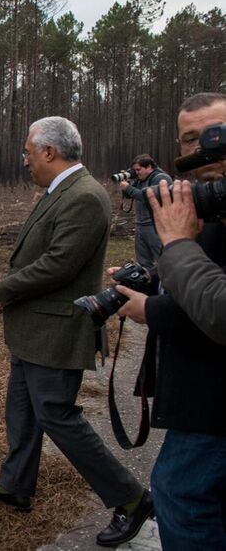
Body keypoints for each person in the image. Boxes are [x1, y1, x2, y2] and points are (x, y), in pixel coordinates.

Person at [0, 116, 151, 548]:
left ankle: (130, 498)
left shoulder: (84, 196)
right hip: (33, 329)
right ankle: (16, 486)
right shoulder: (61, 191)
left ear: (49, 151)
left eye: (28, 152)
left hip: (56, 331)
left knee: (57, 416)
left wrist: (5, 287)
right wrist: (10, 295)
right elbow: (42, 256)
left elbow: (60, 263)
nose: (25, 161)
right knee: (23, 411)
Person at [115, 92, 226, 549]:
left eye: (218, 134)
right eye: (192, 139)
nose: (207, 148)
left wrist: (151, 306)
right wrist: (156, 279)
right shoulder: (211, 206)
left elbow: (215, 308)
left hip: (213, 403)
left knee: (181, 494)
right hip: (202, 392)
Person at [118, 154, 172, 266]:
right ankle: (147, 282)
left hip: (156, 226)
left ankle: (169, 282)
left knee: (164, 260)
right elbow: (131, 195)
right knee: (143, 262)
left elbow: (146, 196)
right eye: (135, 170)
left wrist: (128, 187)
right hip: (141, 224)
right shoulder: (141, 179)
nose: (136, 173)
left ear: (148, 167)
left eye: (139, 169)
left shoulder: (160, 178)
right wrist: (126, 187)